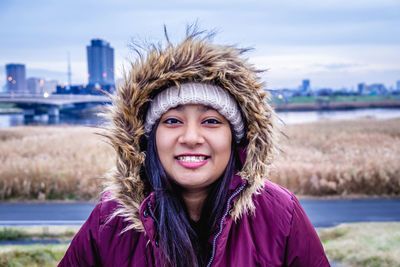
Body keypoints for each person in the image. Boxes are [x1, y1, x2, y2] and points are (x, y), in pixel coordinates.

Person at [59, 28, 330, 267]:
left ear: (237, 138)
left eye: (211, 121)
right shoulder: (110, 219)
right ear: (147, 139)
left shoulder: (279, 213)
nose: (190, 137)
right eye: (173, 121)